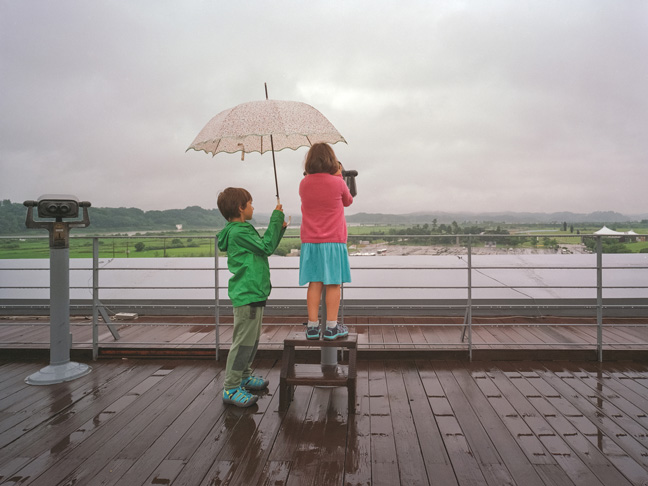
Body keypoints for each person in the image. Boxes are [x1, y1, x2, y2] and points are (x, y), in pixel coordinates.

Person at [217, 187, 287, 407]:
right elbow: (265, 247)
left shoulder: (242, 229)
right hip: (248, 293)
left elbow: (264, 248)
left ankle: (244, 377)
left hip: (253, 292)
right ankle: (231, 388)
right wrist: (276, 217)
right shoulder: (239, 231)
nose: (253, 207)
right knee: (242, 343)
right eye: (250, 203)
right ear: (241, 208)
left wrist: (279, 229)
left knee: (251, 341)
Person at [299, 143, 353, 340]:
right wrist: (339, 176)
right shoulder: (338, 182)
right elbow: (348, 200)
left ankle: (312, 327)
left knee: (315, 282)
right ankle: (331, 327)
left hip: (310, 241)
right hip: (334, 241)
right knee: (333, 284)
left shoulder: (303, 183)